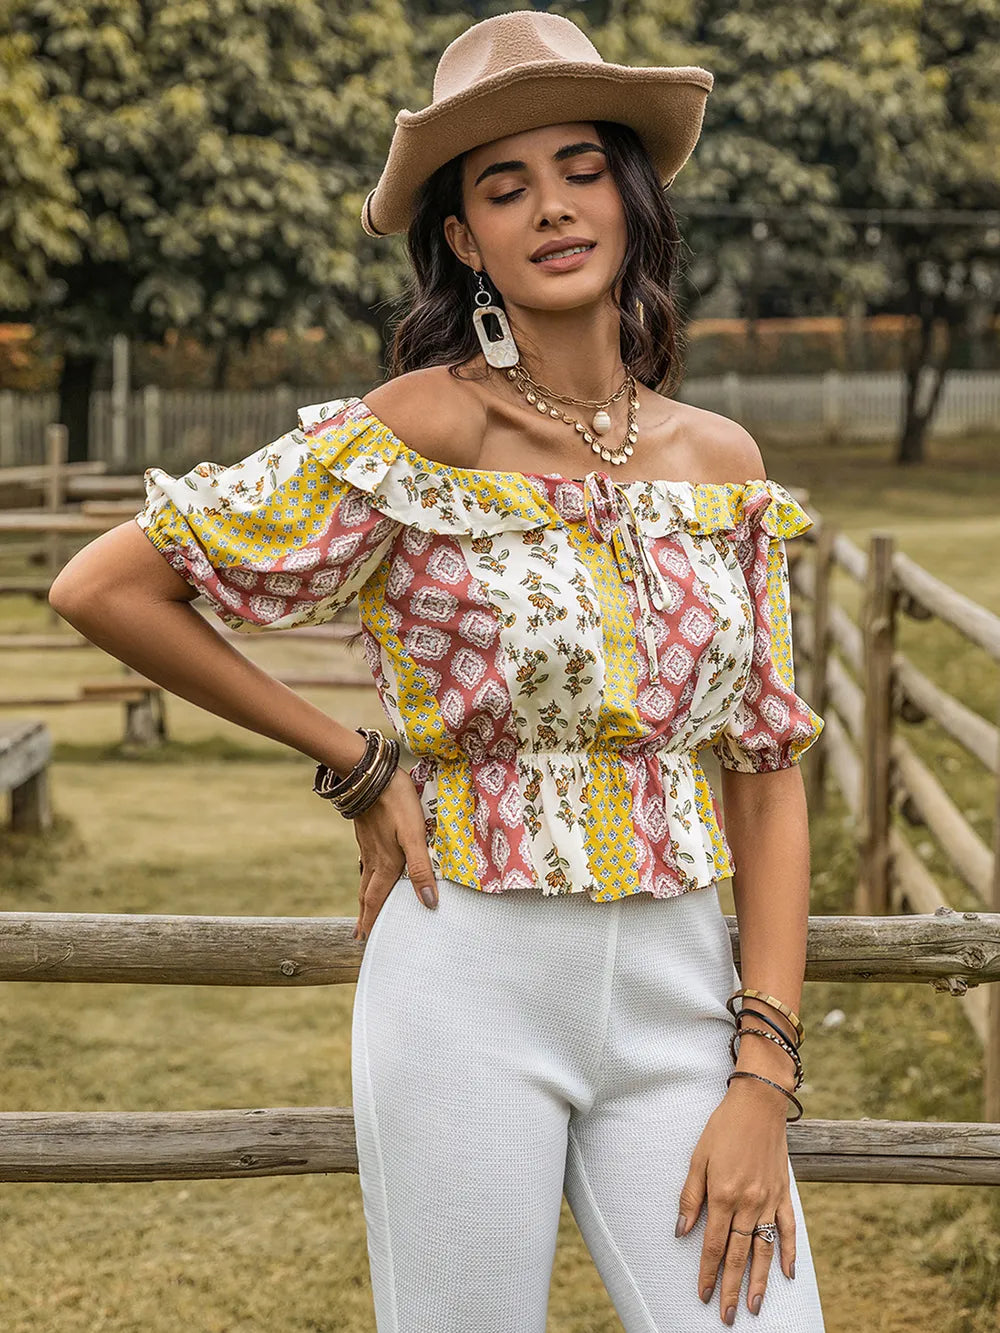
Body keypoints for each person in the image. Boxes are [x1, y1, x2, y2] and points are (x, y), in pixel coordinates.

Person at [49, 11, 828, 1332]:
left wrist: (762, 1069)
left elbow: (763, 770)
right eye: (502, 186)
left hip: (687, 1002)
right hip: (467, 983)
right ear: (464, 239)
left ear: (632, 197)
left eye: (581, 167)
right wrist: (355, 762)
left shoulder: (722, 465)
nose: (552, 208)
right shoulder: (427, 427)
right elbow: (107, 584)